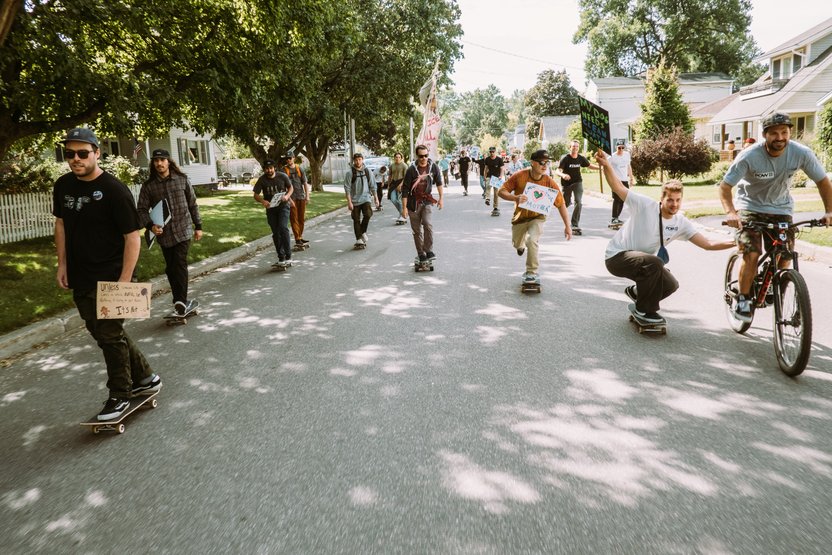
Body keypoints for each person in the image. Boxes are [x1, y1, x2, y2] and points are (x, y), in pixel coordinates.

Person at [53, 128, 160, 422]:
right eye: (70, 153)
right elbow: (61, 225)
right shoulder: (63, 186)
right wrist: (62, 264)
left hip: (112, 275)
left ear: (97, 153)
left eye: (82, 153)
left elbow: (133, 236)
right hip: (80, 274)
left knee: (110, 336)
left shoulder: (113, 189)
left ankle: (120, 395)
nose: (75, 159)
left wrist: (124, 282)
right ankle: (146, 377)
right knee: (102, 333)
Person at [596, 149, 735, 324]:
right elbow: (617, 187)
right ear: (661, 198)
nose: (674, 204)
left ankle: (638, 293)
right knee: (655, 262)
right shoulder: (645, 205)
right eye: (670, 199)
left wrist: (736, 242)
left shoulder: (680, 222)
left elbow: (707, 243)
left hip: (643, 263)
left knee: (670, 284)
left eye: (678, 200)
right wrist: (607, 164)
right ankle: (645, 311)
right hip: (617, 257)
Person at [719, 112, 832, 322]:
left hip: (781, 209)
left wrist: (829, 211)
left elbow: (823, 182)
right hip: (749, 207)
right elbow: (725, 187)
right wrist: (731, 213)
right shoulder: (749, 155)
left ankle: (776, 283)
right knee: (752, 253)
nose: (780, 137)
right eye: (774, 133)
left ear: (790, 133)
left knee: (786, 254)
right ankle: (743, 298)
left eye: (784, 132)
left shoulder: (801, 153)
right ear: (765, 135)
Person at [137, 148, 203, 316]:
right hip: (164, 235)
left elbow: (193, 204)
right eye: (156, 160)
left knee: (179, 264)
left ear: (168, 162)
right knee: (170, 267)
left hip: (183, 229)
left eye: (162, 160)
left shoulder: (182, 180)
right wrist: (151, 225)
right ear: (153, 163)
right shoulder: (149, 186)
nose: (159, 163)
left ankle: (180, 301)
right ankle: (180, 301)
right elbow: (142, 210)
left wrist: (198, 226)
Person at [498, 149, 572, 283]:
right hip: (520, 217)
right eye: (541, 162)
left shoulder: (549, 181)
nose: (544, 166)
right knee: (517, 243)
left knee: (532, 240)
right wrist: (515, 198)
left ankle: (531, 272)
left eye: (547, 163)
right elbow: (501, 191)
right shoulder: (520, 176)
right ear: (532, 163)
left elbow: (561, 204)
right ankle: (520, 246)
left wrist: (568, 226)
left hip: (537, 217)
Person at [402, 144, 444, 264]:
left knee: (427, 224)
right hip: (413, 203)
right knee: (416, 231)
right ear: (417, 156)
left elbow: (439, 183)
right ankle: (421, 254)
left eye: (426, 155)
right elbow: (405, 189)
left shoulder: (433, 167)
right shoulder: (411, 170)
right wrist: (404, 208)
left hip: (426, 201)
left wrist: (441, 198)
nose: (424, 158)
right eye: (421, 156)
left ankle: (429, 251)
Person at [253, 159, 294, 267]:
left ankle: (288, 256)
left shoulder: (282, 176)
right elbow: (256, 195)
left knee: (283, 228)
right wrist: (263, 201)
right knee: (275, 232)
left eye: (271, 168)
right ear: (264, 170)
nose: (269, 170)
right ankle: (281, 257)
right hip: (271, 209)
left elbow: (290, 187)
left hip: (283, 206)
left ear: (274, 168)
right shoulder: (262, 180)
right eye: (267, 169)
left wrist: (287, 196)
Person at [555, 140, 599, 235]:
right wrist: (563, 175)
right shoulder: (565, 158)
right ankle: (567, 206)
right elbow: (557, 171)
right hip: (566, 184)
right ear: (570, 147)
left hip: (577, 182)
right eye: (573, 146)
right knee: (565, 204)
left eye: (577, 146)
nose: (575, 148)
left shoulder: (580, 158)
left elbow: (589, 165)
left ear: (578, 148)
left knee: (578, 202)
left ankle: (574, 224)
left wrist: (600, 168)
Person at [344, 152, 378, 248]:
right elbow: (347, 188)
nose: (358, 161)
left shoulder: (367, 171)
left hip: (366, 198)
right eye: (356, 160)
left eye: (359, 159)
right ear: (353, 161)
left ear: (362, 160)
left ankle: (362, 232)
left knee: (368, 214)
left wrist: (376, 198)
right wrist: (349, 202)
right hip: (355, 200)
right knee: (356, 219)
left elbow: (373, 185)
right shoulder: (350, 173)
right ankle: (359, 238)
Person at [284, 155, 310, 250]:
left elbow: (305, 183)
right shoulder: (284, 171)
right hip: (292, 198)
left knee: (301, 218)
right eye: (287, 158)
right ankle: (297, 238)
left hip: (301, 196)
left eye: (290, 158)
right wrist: (289, 199)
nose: (288, 160)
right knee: (294, 218)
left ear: (294, 158)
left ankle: (300, 236)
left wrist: (307, 195)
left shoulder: (299, 169)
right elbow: (284, 187)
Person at [609, 139, 634, 226]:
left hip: (624, 180)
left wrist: (631, 178)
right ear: (616, 147)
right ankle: (614, 217)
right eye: (619, 148)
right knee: (617, 198)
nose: (620, 149)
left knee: (623, 199)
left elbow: (628, 166)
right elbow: (606, 168)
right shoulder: (612, 157)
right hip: (615, 180)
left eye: (622, 148)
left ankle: (617, 218)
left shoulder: (627, 155)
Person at [387, 152, 408, 223]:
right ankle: (403, 214)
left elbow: (406, 177)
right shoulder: (392, 165)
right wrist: (388, 185)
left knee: (399, 200)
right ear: (394, 158)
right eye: (396, 157)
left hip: (401, 183)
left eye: (399, 157)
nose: (397, 158)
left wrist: (401, 185)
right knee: (393, 199)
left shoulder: (404, 165)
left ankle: (402, 216)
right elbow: (390, 175)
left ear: (401, 158)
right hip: (393, 183)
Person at [483, 146, 504, 215]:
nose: (491, 153)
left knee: (496, 193)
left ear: (495, 152)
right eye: (490, 152)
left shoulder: (499, 159)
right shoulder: (487, 159)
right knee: (488, 185)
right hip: (490, 176)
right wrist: (484, 176)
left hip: (496, 178)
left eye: (493, 152)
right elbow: (486, 168)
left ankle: (495, 207)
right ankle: (488, 199)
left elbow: (502, 169)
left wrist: (501, 176)